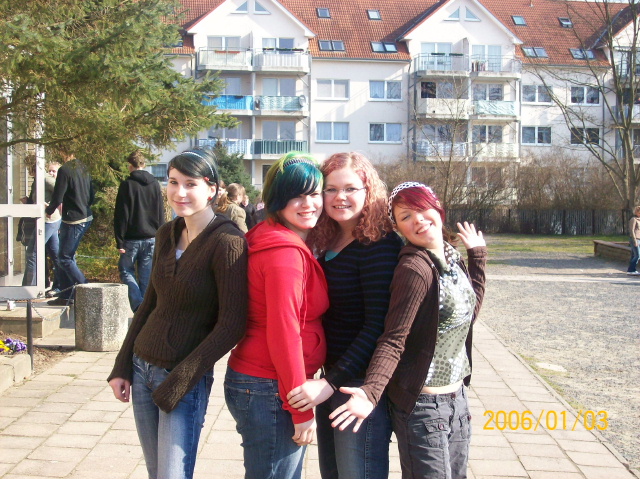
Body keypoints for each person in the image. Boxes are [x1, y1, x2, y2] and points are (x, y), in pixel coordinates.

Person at [329, 182, 487, 479]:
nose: (418, 220)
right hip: (424, 407)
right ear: (399, 227)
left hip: (457, 399)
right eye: (406, 216)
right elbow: (393, 338)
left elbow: (466, 316)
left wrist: (477, 258)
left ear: (438, 208)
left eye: (422, 209)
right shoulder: (414, 268)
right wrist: (371, 392)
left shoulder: (451, 257)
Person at [107, 149, 248, 479]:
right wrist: (122, 365)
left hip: (183, 378)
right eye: (173, 182)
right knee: (156, 473)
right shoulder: (166, 233)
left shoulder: (228, 241)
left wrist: (181, 380)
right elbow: (149, 304)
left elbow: (232, 324)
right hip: (142, 368)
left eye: (190, 184)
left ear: (211, 189)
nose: (179, 192)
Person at [287, 152, 402, 479]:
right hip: (330, 377)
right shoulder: (327, 237)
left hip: (359, 384)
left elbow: (378, 326)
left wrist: (330, 382)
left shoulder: (379, 244)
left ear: (369, 191)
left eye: (351, 189)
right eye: (331, 189)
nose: (340, 197)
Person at [224, 151, 328, 479]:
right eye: (296, 196)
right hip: (269, 386)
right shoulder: (284, 254)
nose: (308, 204)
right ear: (277, 200)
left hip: (263, 383)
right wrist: (300, 410)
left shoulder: (271, 234)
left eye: (314, 194)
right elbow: (284, 333)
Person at [114, 150, 165, 312]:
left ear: (130, 165)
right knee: (146, 276)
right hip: (151, 237)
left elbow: (121, 215)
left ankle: (137, 305)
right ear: (144, 164)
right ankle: (145, 311)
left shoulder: (127, 185)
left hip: (131, 238)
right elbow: (160, 211)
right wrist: (161, 235)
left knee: (125, 271)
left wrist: (119, 240)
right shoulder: (155, 184)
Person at [46, 148, 94, 306]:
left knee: (65, 258)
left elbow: (57, 196)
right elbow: (92, 195)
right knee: (66, 257)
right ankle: (66, 295)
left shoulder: (65, 170)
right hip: (85, 216)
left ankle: (88, 290)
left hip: (73, 219)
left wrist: (49, 210)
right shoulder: (84, 168)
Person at [22, 158, 62, 290]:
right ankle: (62, 284)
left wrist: (50, 206)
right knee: (56, 255)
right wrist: (28, 202)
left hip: (48, 220)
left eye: (29, 169)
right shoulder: (37, 180)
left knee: (32, 253)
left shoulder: (45, 179)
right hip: (48, 221)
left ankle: (28, 289)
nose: (29, 172)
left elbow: (61, 192)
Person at [627, 205, 640, 275]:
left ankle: (630, 270)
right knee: (638, 255)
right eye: (639, 212)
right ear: (636, 212)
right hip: (635, 239)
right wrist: (634, 240)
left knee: (633, 255)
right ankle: (632, 269)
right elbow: (632, 230)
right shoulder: (633, 219)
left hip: (639, 238)